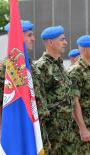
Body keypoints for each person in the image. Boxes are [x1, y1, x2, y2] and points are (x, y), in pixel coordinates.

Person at [34, 25, 74, 154]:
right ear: (50, 42)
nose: (65, 42)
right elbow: (39, 102)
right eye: (62, 39)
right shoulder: (41, 67)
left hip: (67, 130)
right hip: (53, 133)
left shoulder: (60, 64)